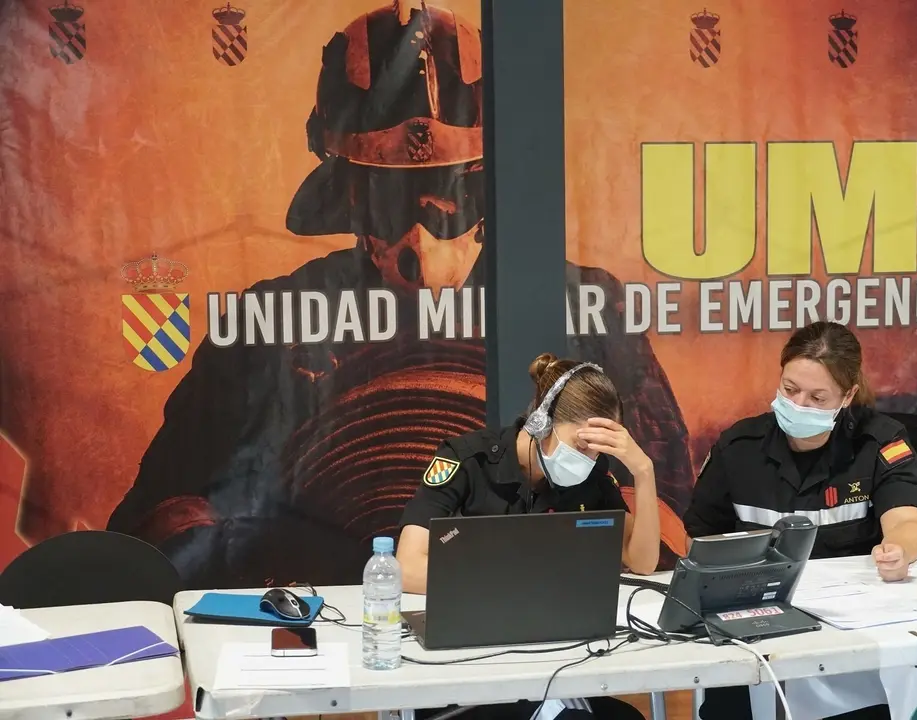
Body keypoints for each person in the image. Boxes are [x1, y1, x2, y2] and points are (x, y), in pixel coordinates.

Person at [104, 1, 693, 589]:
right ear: (348, 191)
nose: (420, 235)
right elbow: (159, 526)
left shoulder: (586, 304)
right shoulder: (268, 324)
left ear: (490, 184)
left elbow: (662, 514)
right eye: (388, 193)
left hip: (528, 592)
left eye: (449, 192)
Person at [684, 321, 917, 720]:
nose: (799, 405)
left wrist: (899, 550)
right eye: (790, 389)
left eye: (818, 398)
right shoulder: (738, 448)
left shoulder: (880, 442)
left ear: (847, 395)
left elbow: (907, 518)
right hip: (754, 627)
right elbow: (700, 539)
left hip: (849, 633)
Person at [397, 352, 659, 720]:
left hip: (556, 661)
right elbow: (406, 567)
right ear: (541, 421)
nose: (588, 458)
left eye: (598, 449)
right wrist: (512, 584)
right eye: (581, 445)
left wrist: (644, 471)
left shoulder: (592, 475)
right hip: (471, 665)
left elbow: (642, 561)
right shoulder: (467, 460)